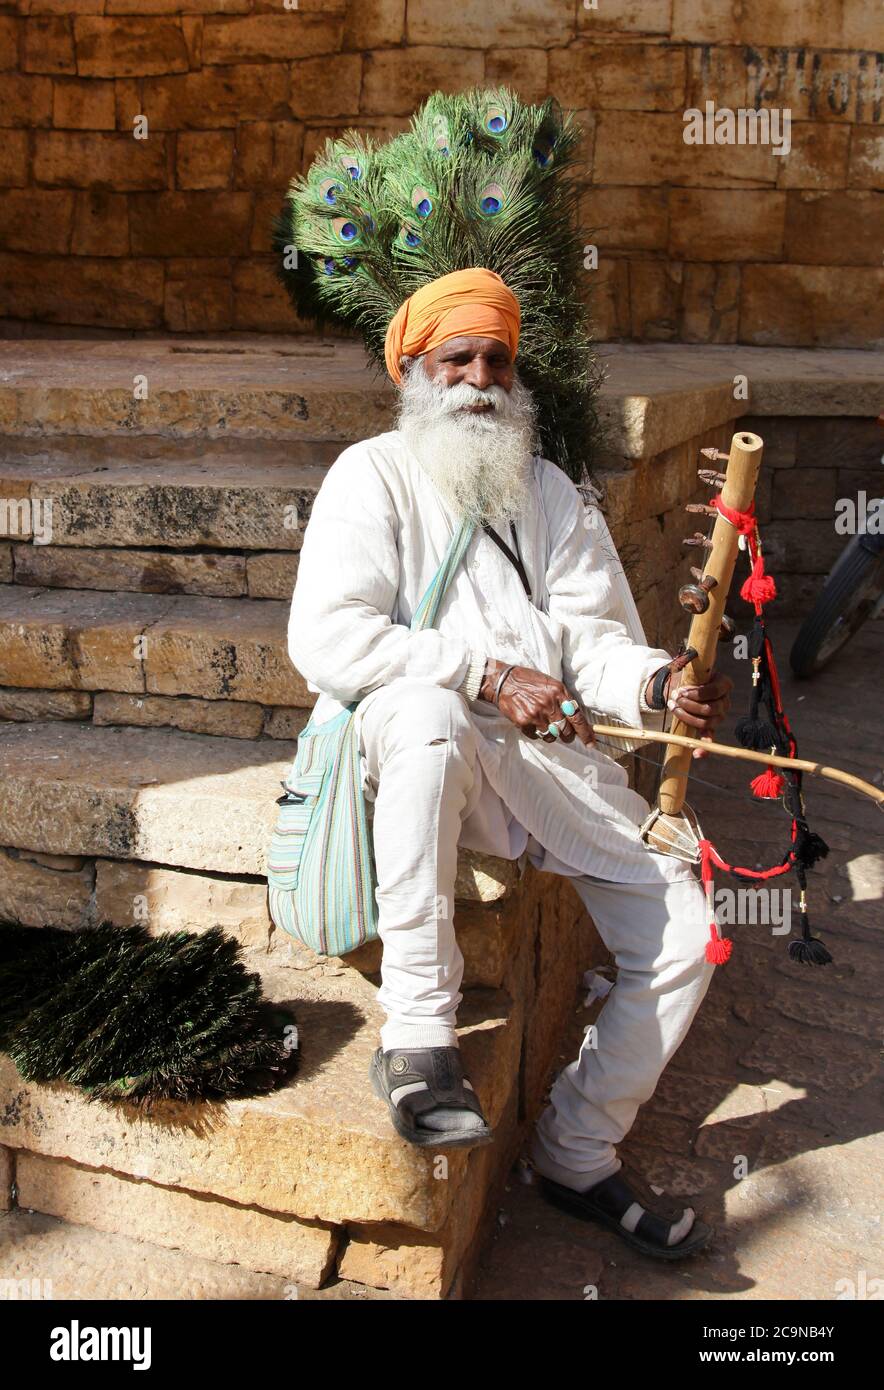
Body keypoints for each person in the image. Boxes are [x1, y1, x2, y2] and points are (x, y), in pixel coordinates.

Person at [286, 268, 733, 1260]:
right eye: (458, 359)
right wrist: (484, 672)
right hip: (409, 764)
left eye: (496, 359)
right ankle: (416, 1036)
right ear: (415, 369)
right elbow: (328, 639)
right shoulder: (370, 475)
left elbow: (595, 645)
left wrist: (657, 685)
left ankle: (576, 1149)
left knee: (690, 935)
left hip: (540, 773)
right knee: (426, 712)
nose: (479, 379)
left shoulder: (546, 491)